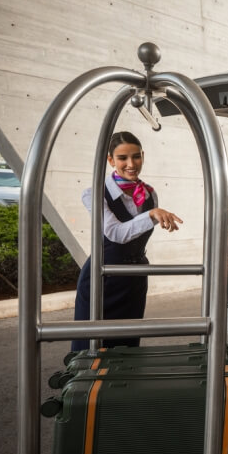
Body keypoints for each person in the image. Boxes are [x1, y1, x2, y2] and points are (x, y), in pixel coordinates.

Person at [72, 131, 183, 351]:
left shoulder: (149, 194)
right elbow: (115, 233)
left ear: (143, 156)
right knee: (90, 346)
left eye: (136, 156)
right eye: (122, 158)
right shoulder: (94, 193)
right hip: (103, 278)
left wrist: (154, 215)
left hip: (134, 279)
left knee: (128, 346)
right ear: (110, 160)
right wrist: (151, 215)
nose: (131, 164)